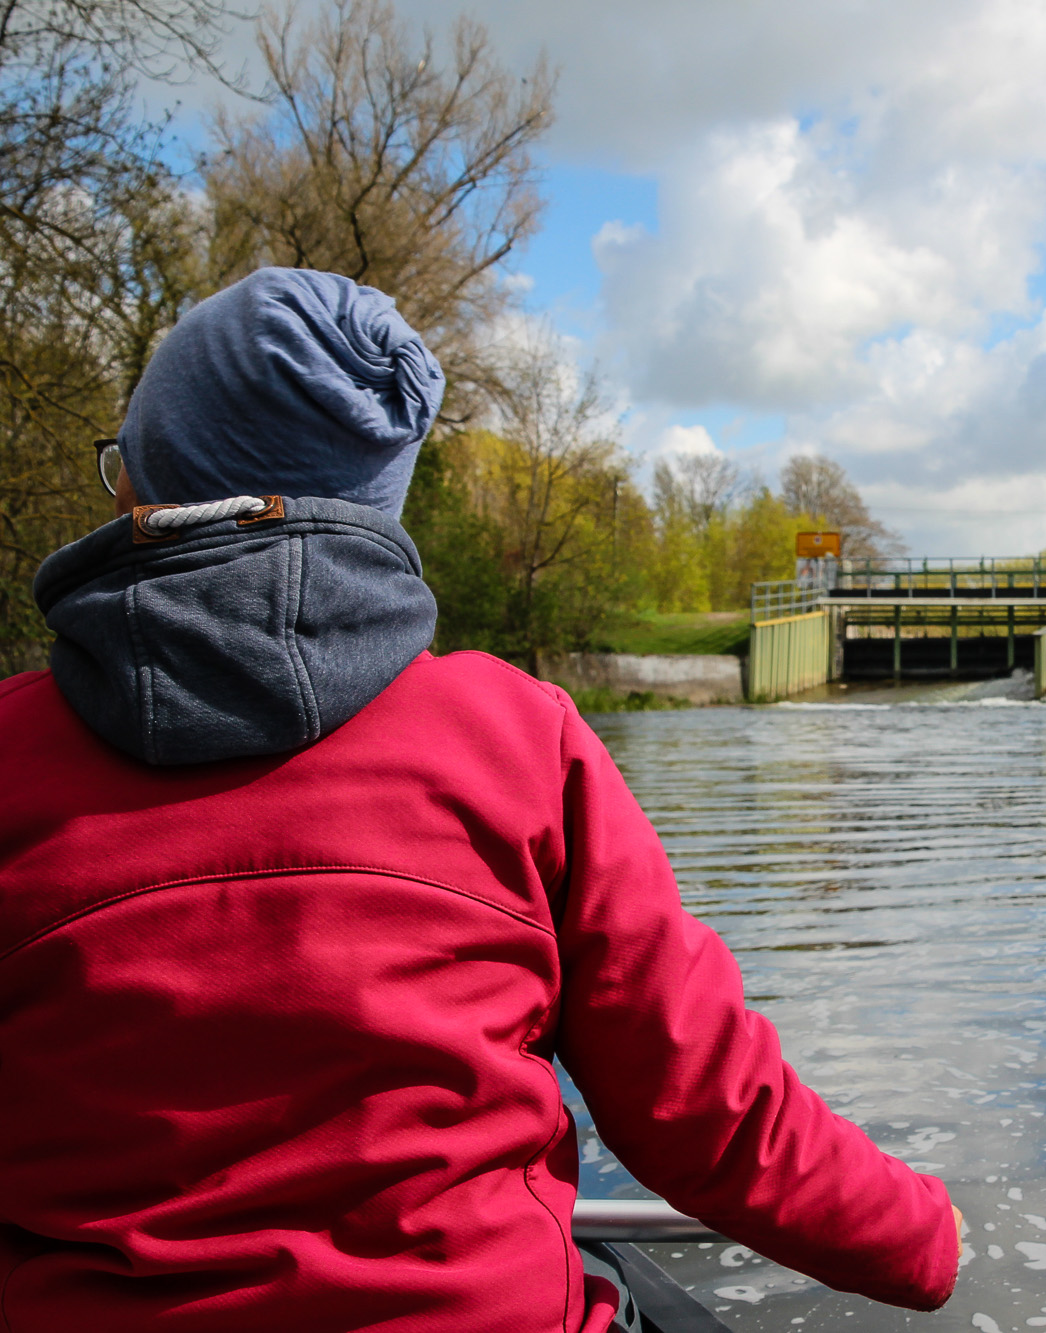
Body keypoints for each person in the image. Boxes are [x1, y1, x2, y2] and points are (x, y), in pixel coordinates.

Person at [0, 268, 962, 1331]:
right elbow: (700, 1106)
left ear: (147, 490)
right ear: (376, 500)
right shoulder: (518, 739)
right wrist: (921, 1235)